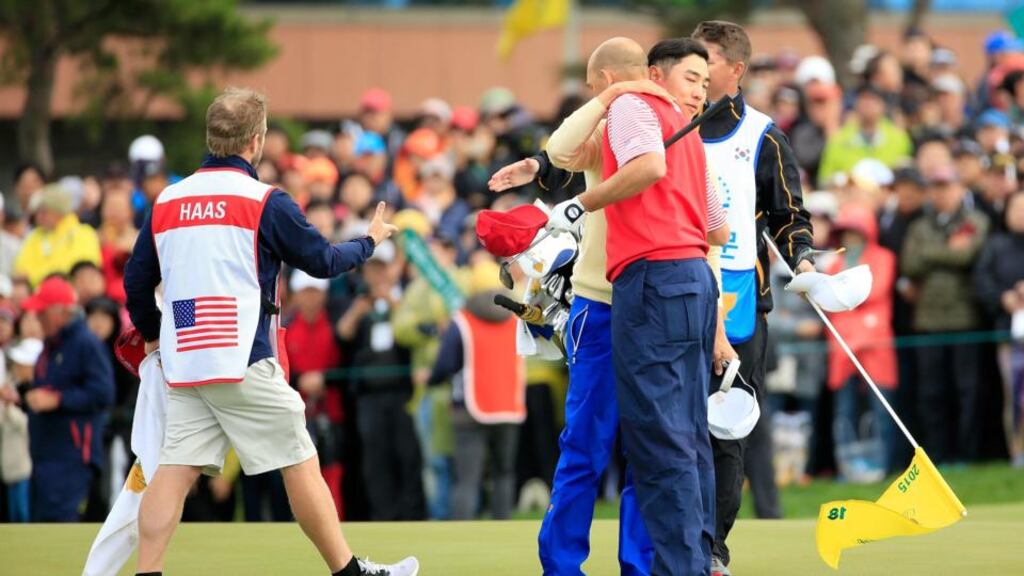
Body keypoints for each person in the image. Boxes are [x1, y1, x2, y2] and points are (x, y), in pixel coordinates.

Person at [123, 87, 417, 576]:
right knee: (300, 459)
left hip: (187, 355)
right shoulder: (264, 200)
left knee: (174, 470)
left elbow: (137, 281)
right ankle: (348, 572)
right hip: (242, 352)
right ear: (256, 141)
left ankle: (148, 572)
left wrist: (155, 334)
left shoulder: (168, 200)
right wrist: (369, 241)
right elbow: (322, 261)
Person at [489, 38, 730, 575]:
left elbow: (713, 235)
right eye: (691, 80)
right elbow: (561, 149)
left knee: (654, 442)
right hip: (602, 305)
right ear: (647, 76)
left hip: (650, 292)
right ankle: (563, 565)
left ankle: (644, 566)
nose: (698, 94)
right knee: (588, 447)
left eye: (704, 85)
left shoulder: (682, 137)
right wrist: (613, 96)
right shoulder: (620, 120)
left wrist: (716, 326)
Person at [692, 20, 818, 575]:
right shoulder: (667, 128)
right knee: (673, 430)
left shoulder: (763, 134)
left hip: (741, 302)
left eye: (707, 61)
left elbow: (790, 217)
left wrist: (806, 260)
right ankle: (672, 541)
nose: (695, 72)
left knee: (728, 429)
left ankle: (712, 549)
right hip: (671, 296)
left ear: (735, 71)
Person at [901, 165, 990, 464]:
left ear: (959, 190)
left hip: (965, 320)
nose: (941, 193)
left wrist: (931, 253)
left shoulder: (974, 220)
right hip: (927, 322)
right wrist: (947, 251)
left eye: (947, 186)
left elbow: (967, 254)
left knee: (968, 391)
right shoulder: (918, 226)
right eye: (936, 187)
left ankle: (969, 455)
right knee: (931, 394)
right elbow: (910, 263)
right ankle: (938, 456)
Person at [427, 260, 525, 521]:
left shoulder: (461, 321)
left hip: (468, 410)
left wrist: (431, 380)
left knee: (467, 479)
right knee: (504, 474)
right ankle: (503, 530)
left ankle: (462, 532)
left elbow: (445, 364)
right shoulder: (515, 318)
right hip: (508, 407)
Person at [19, 277, 115, 521]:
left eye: (42, 312)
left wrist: (57, 399)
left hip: (72, 455)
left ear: (60, 312)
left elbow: (103, 392)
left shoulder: (85, 343)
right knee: (42, 525)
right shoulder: (51, 345)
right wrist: (23, 395)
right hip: (46, 452)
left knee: (59, 524)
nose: (37, 317)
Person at [826, 203, 899, 474]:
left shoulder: (884, 258)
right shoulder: (835, 262)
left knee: (882, 409)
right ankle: (849, 469)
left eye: (855, 233)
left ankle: (885, 467)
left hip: (875, 345)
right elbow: (829, 300)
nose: (850, 239)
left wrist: (849, 314)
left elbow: (874, 290)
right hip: (842, 346)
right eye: (846, 233)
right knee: (845, 411)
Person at [974, 190, 1024, 468]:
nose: (1020, 213)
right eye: (1015, 207)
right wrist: (1003, 298)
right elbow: (982, 280)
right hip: (1009, 333)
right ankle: (1018, 452)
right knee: (1014, 394)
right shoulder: (996, 245)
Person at [14, 184, 102, 287]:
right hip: (36, 295)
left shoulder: (83, 233)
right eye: (37, 212)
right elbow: (20, 271)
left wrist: (35, 276)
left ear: (58, 211)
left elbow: (79, 270)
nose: (38, 217)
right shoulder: (34, 236)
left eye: (44, 212)